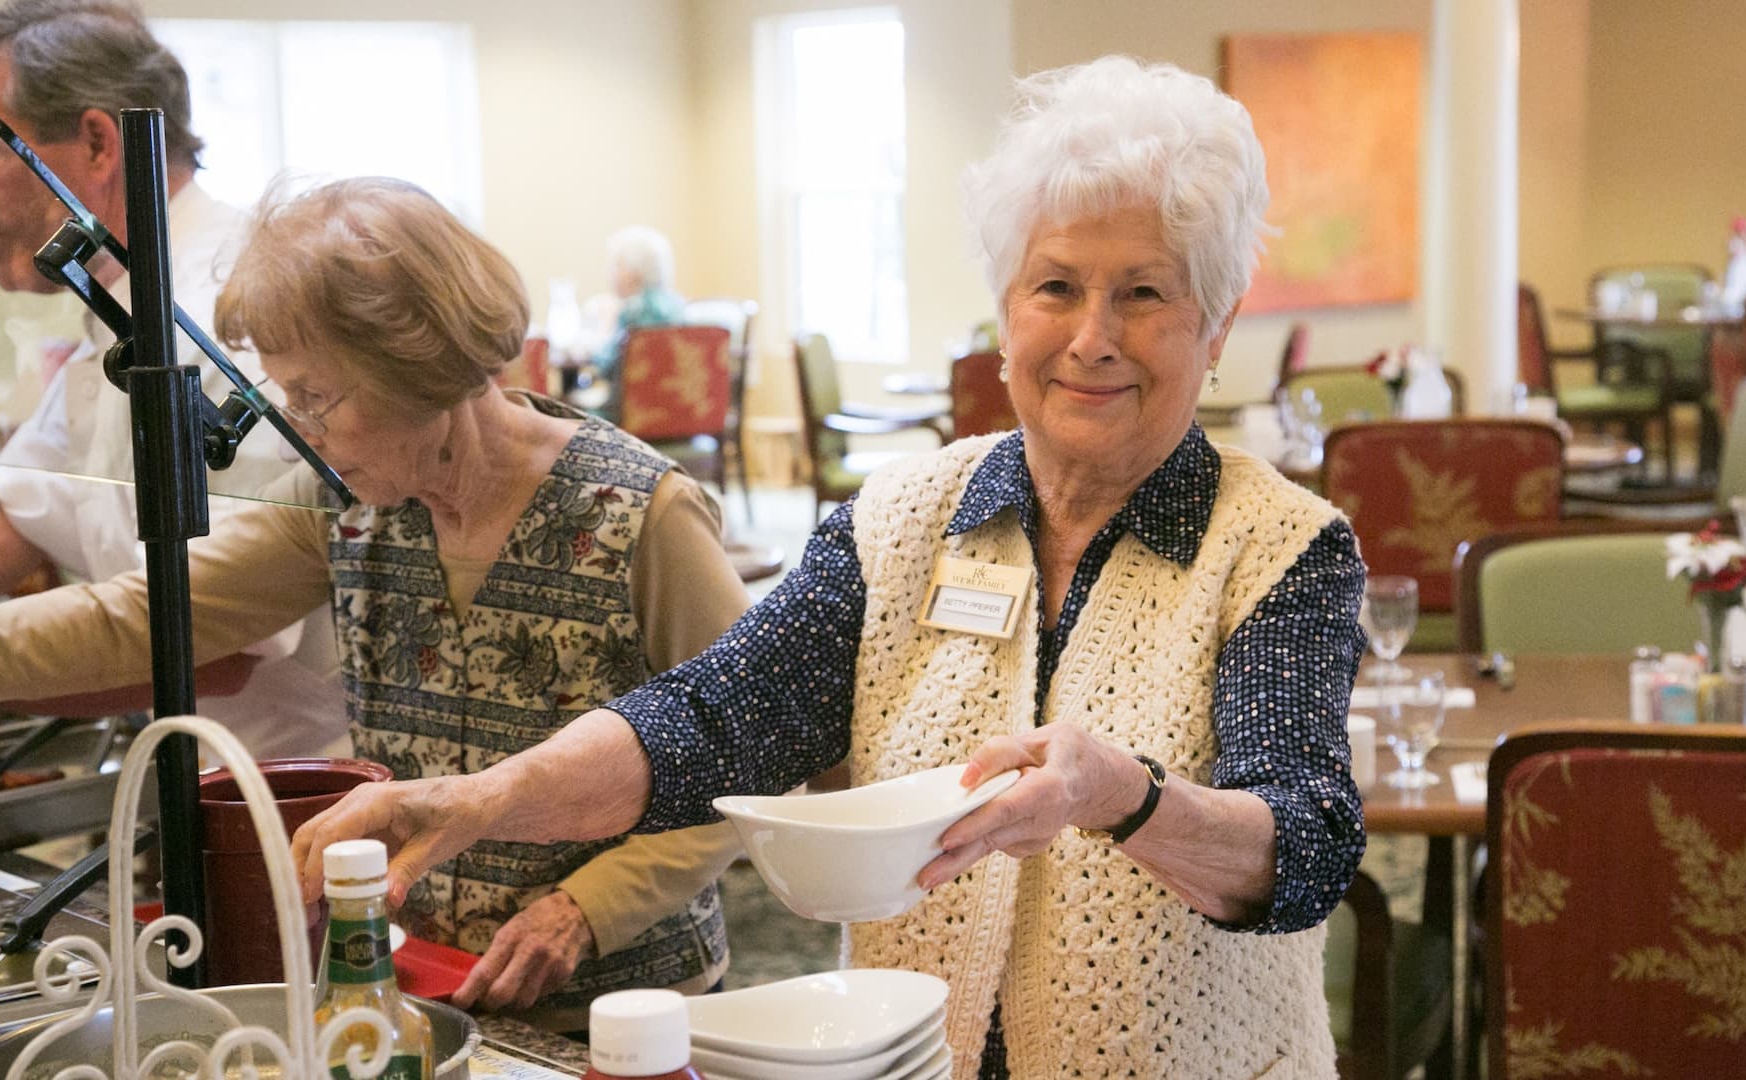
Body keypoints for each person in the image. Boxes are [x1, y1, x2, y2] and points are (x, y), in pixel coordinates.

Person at [289, 57, 1368, 1077]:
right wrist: (484, 800)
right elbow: (713, 718)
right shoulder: (900, 522)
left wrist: (1124, 796)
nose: (1092, 336)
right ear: (1004, 311)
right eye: (1055, 287)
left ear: (1216, 327)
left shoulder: (1276, 549)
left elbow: (1307, 847)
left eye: (1143, 294)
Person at [0, 176, 750, 1032]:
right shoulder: (349, 505)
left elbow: (748, 757)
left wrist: (584, 911)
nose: (301, 429)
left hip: (630, 1007)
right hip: (430, 983)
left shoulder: (641, 513)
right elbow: (138, 618)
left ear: (420, 365)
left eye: (317, 398)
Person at [0, 0, 344, 757]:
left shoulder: (221, 313)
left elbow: (216, 642)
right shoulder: (121, 305)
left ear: (95, 142)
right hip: (199, 769)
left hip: (298, 789)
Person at [590, 225, 686, 416]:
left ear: (634, 271)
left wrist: (606, 325)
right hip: (679, 416)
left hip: (632, 422)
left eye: (616, 265)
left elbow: (604, 367)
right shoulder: (678, 306)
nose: (609, 274)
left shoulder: (632, 312)